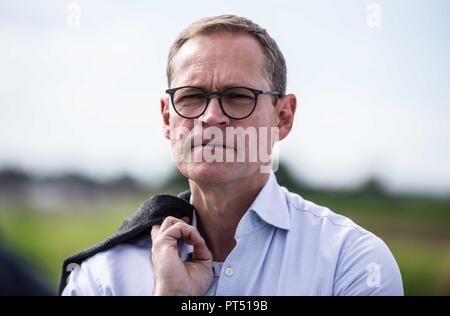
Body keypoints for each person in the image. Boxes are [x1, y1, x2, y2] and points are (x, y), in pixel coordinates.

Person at [61, 15, 403, 296]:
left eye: (238, 96)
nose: (211, 116)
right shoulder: (102, 276)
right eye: (192, 95)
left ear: (282, 118)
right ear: (168, 118)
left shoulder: (352, 264)